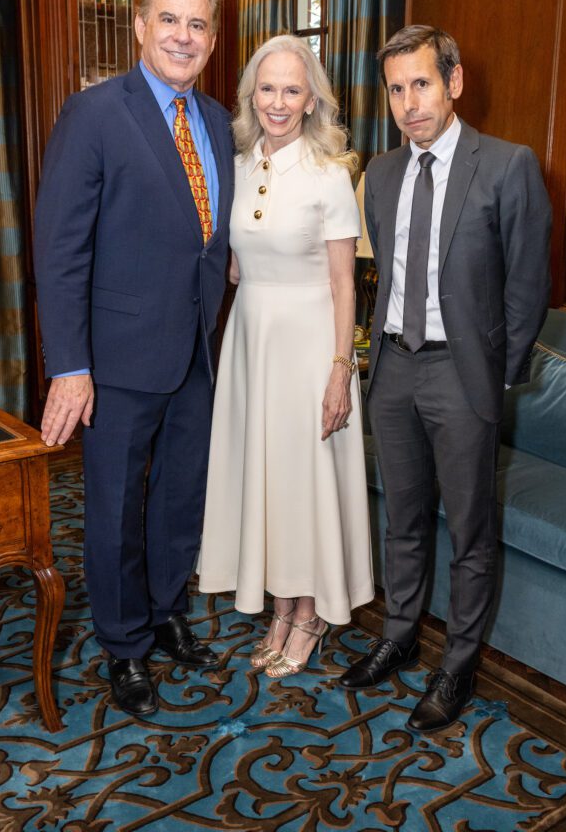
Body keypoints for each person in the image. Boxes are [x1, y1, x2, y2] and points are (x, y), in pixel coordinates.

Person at [33, 0, 235, 717]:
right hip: (115, 360)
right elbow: (60, 252)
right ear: (141, 27)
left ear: (211, 40)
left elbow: (206, 239)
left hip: (194, 351)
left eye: (198, 25)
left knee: (180, 498)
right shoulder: (92, 114)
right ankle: (123, 646)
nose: (184, 36)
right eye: (170, 21)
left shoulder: (216, 120)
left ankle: (162, 612)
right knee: (115, 505)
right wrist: (71, 366)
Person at [339, 25, 552, 731]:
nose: (408, 103)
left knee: (467, 533)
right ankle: (398, 637)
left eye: (421, 84)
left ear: (453, 83)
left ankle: (456, 666)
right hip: (393, 370)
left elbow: (526, 288)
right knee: (400, 521)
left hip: (463, 378)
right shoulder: (384, 173)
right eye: (396, 89)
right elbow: (385, 278)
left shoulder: (506, 165)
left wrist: (492, 382)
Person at [198, 34, 374, 676]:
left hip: (308, 347)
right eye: (266, 88)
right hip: (251, 342)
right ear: (251, 95)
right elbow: (237, 265)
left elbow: (341, 284)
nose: (277, 101)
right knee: (266, 479)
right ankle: (279, 606)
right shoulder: (240, 164)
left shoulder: (332, 172)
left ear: (310, 100)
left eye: (291, 90)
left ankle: (307, 614)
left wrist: (339, 369)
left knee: (302, 484)